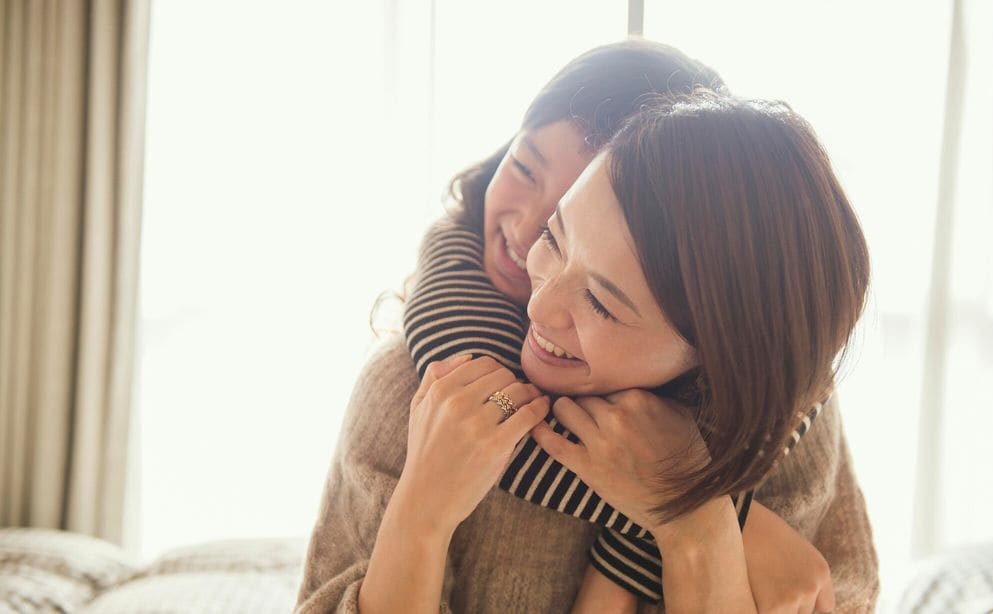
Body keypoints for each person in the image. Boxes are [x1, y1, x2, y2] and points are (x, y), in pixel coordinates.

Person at [295, 43, 878, 614]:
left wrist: (701, 530)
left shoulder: (775, 428)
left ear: (713, 352)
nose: (538, 301)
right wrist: (419, 518)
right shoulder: (416, 393)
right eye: (556, 233)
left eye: (602, 301)